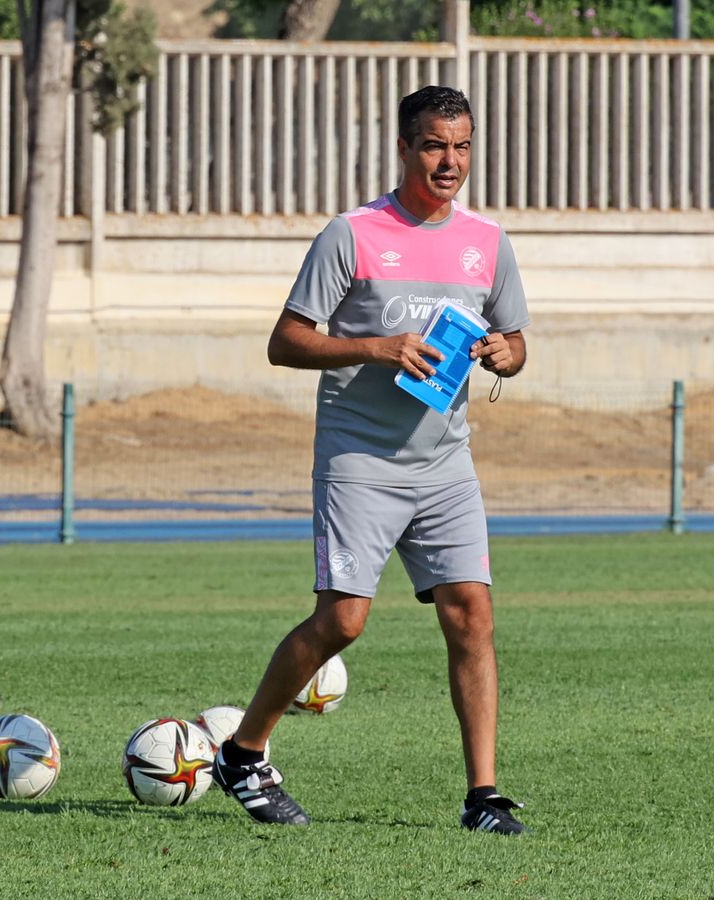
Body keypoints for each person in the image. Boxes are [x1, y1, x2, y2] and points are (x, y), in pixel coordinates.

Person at [211, 85, 532, 836]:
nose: (449, 161)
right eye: (433, 145)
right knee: (343, 623)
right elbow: (285, 342)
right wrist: (375, 347)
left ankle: (482, 796)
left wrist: (504, 354)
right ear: (404, 148)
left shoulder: (488, 242)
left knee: (472, 616)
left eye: (460, 146)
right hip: (360, 457)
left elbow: (517, 347)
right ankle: (243, 752)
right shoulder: (352, 235)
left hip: (446, 461)